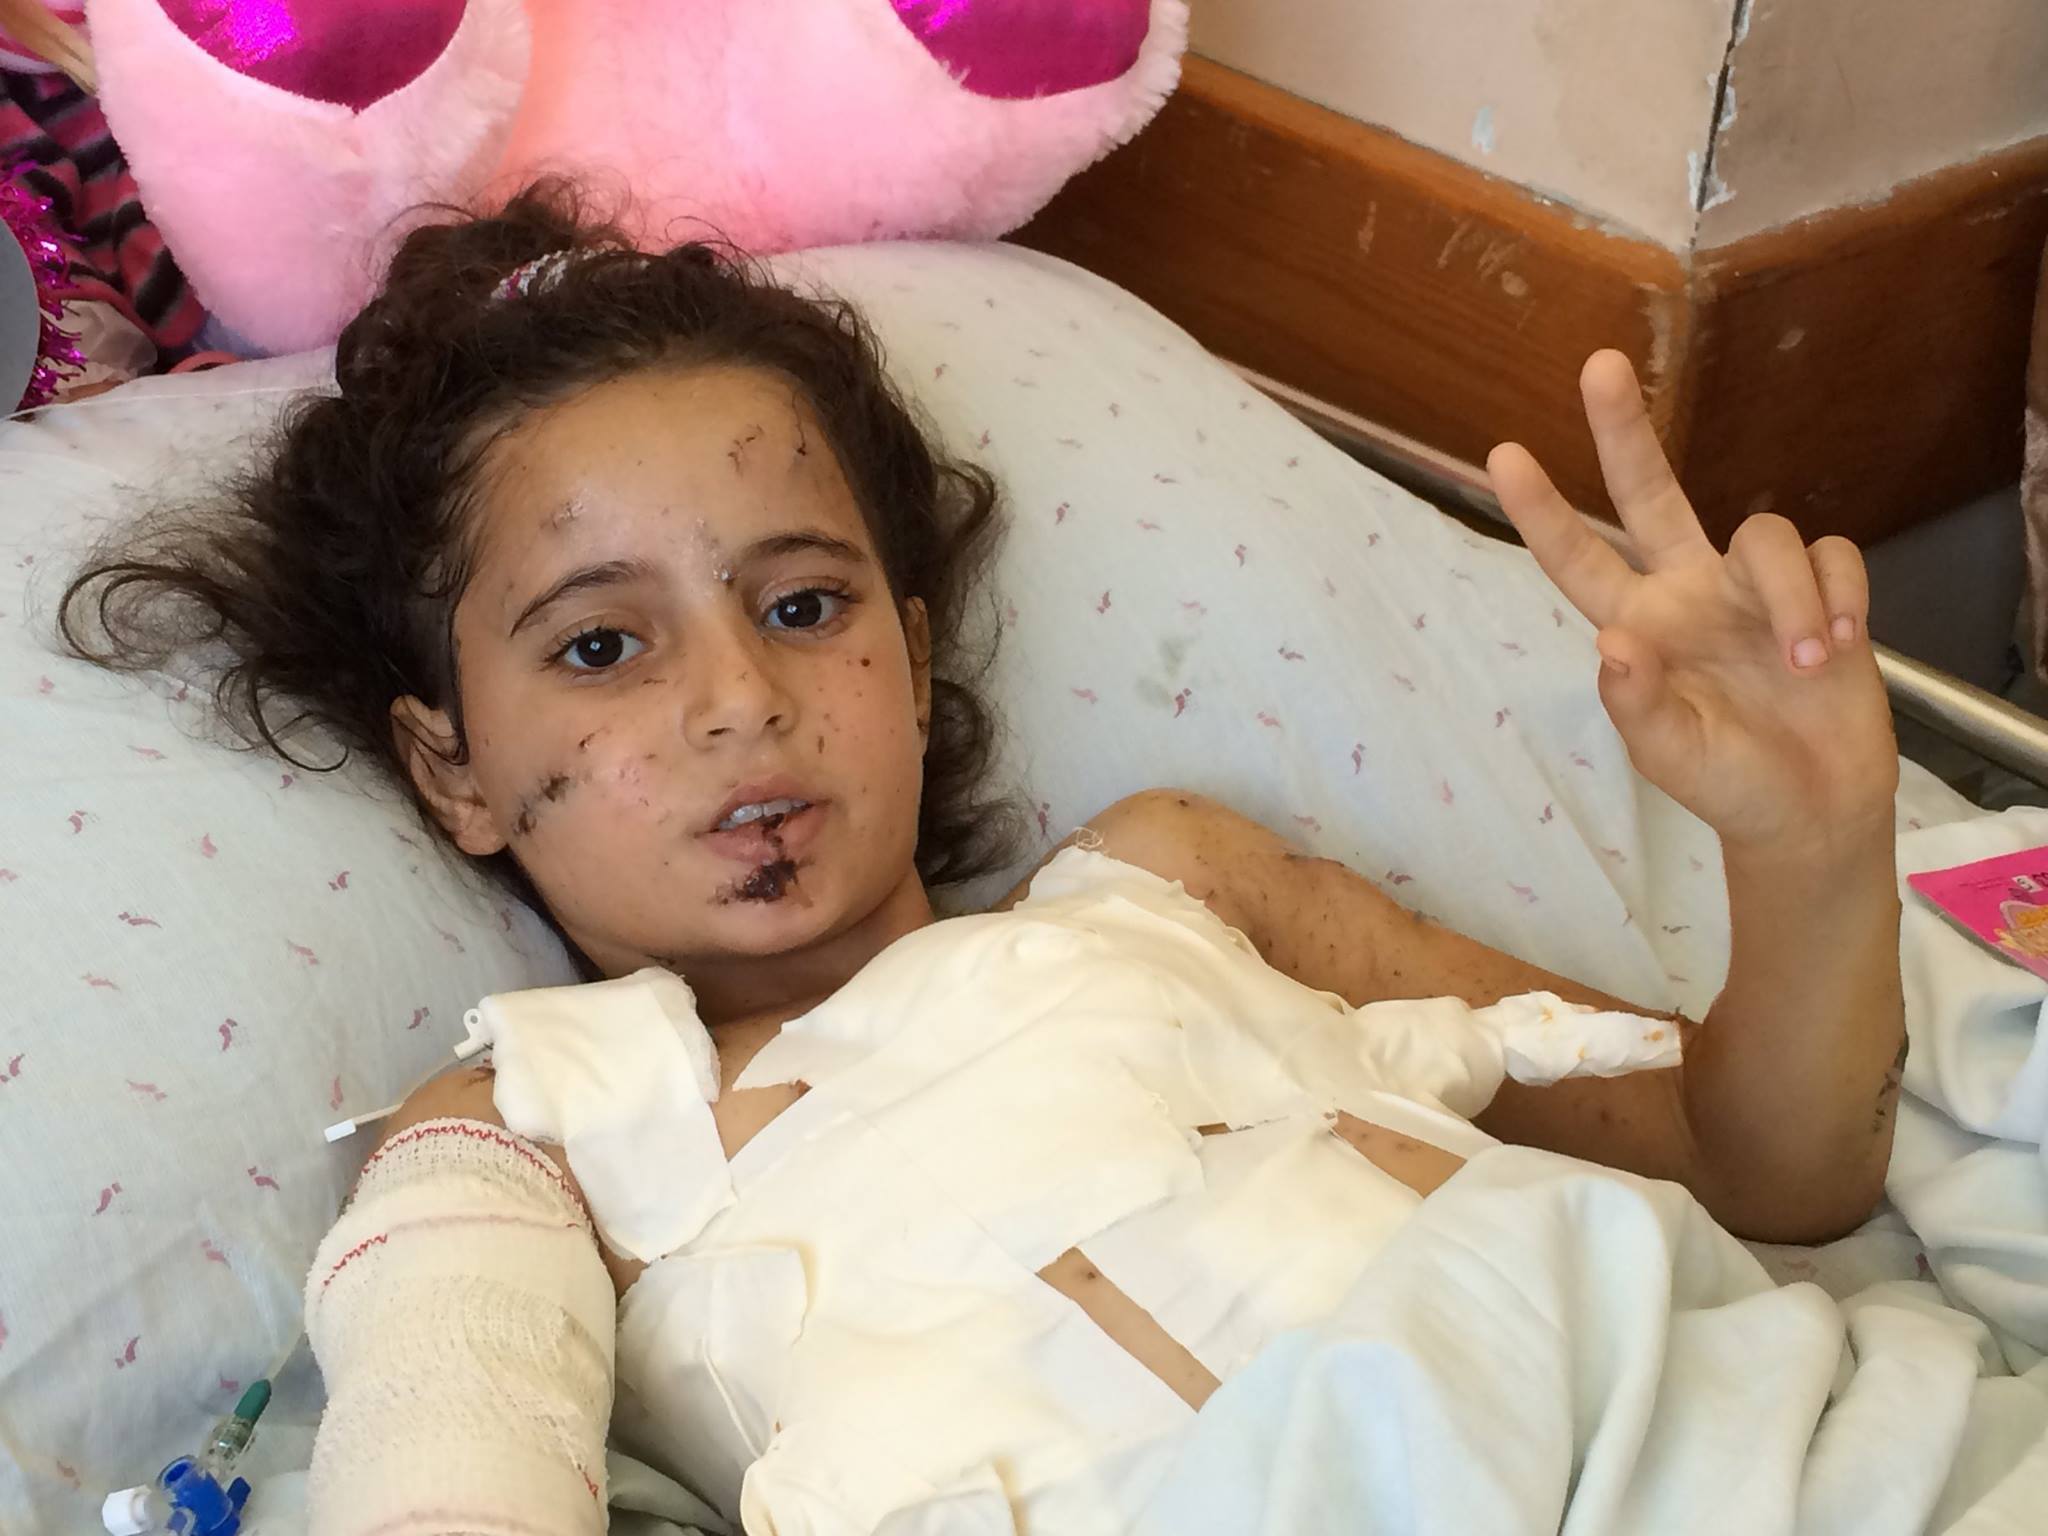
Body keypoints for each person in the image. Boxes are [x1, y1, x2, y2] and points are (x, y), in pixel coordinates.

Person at [63, 179, 1905, 1511]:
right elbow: (448, 1470)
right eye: (602, 647)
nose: (739, 702)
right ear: (453, 768)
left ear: (917, 654)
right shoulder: (523, 1130)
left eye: (803, 607)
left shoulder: (1175, 884)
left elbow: (1771, 1170)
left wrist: (1811, 851)